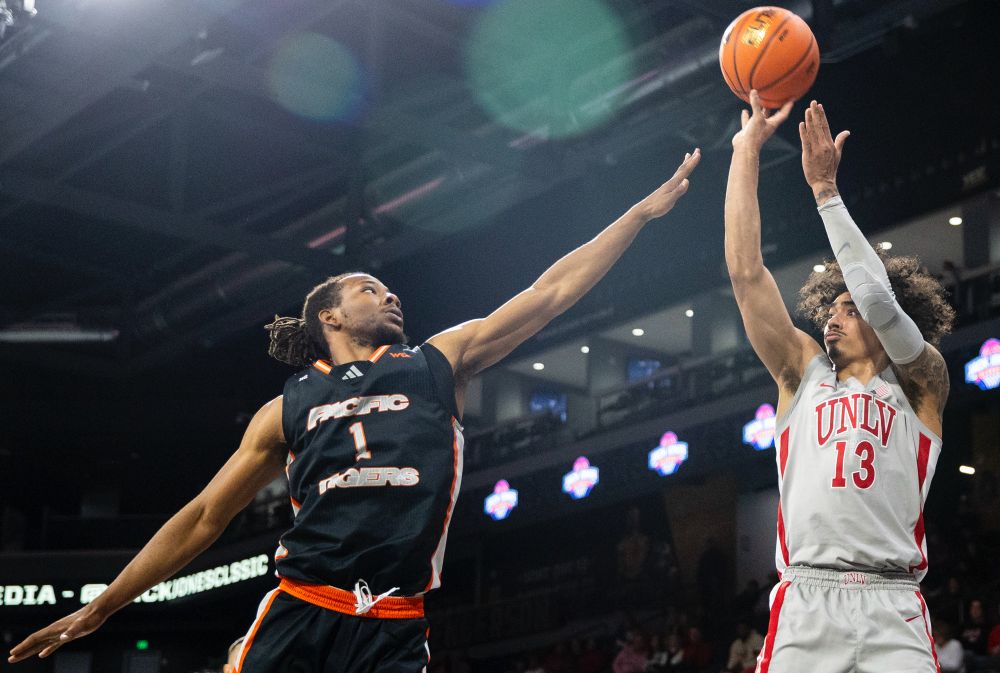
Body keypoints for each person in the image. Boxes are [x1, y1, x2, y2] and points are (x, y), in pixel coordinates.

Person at [8, 150, 701, 671]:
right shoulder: (286, 407)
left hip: (395, 620)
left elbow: (550, 292)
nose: (390, 295)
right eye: (372, 288)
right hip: (304, 605)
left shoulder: (438, 360)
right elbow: (201, 517)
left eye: (390, 288)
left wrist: (638, 214)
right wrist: (102, 607)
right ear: (332, 316)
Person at [723, 90, 955, 672]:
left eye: (848, 308)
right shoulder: (802, 372)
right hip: (806, 598)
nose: (833, 314)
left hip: (893, 603)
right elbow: (745, 272)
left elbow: (878, 296)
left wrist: (825, 191)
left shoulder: (923, 383)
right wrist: (745, 152)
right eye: (833, 306)